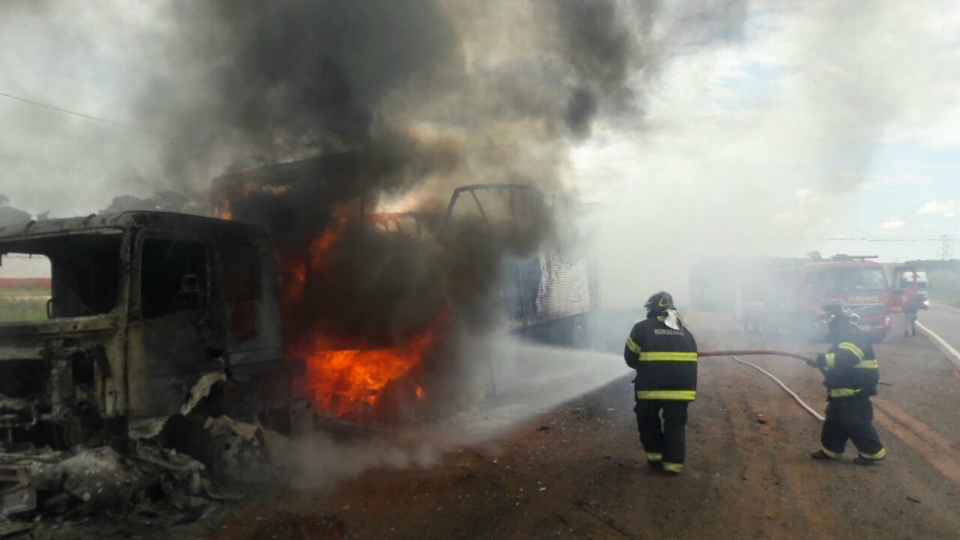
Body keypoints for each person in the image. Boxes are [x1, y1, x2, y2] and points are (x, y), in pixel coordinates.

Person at [623, 291, 698, 475]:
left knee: (648, 420)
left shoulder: (641, 328)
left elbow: (630, 358)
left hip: (651, 387)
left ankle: (655, 457)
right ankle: (673, 465)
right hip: (681, 389)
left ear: (652, 309)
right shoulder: (685, 331)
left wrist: (644, 366)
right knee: (675, 425)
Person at [808, 300, 886, 465]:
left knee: (856, 423)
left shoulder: (850, 335)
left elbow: (847, 358)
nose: (823, 324)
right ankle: (831, 450)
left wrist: (821, 359)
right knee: (834, 422)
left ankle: (872, 452)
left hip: (855, 390)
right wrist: (821, 360)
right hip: (845, 390)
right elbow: (840, 358)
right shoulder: (843, 334)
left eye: (825, 320)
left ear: (833, 318)